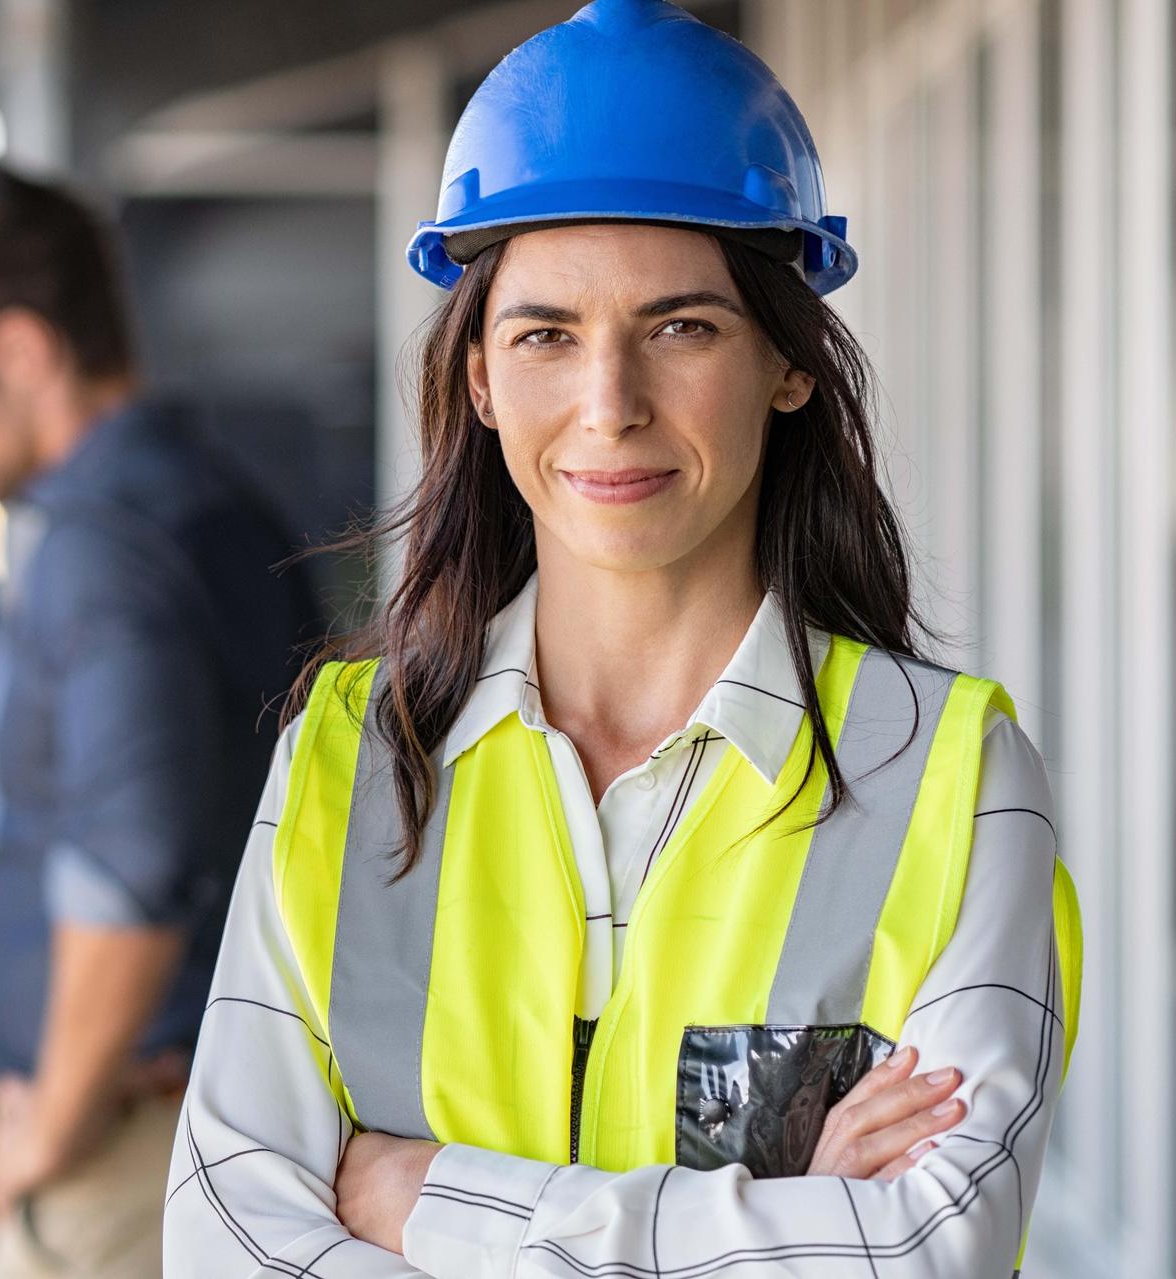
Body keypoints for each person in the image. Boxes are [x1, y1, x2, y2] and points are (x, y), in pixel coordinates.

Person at [162, 2, 1084, 1276]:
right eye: (546, 333)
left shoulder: (953, 781)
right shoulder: (347, 758)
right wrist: (773, 1220)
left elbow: (927, 1253)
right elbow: (224, 1242)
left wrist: (419, 1194)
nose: (609, 406)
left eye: (682, 327)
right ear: (479, 377)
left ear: (789, 362)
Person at [0, 167, 318, 1279]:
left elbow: (130, 865)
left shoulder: (103, 541)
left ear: (18, 350)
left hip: (124, 1146)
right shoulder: (208, 498)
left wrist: (49, 1127)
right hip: (195, 1117)